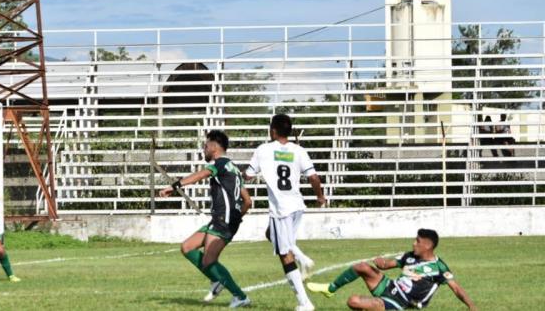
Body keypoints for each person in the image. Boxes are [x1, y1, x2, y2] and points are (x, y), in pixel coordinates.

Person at [159, 130, 253, 308]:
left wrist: (175, 186)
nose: (204, 149)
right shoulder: (233, 168)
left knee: (209, 261)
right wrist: (235, 218)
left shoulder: (220, 164)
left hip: (222, 220)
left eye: (205, 145)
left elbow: (200, 175)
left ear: (214, 147)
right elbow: (248, 201)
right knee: (187, 247)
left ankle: (240, 296)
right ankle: (216, 280)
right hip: (222, 219)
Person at [245, 113, 325, 311]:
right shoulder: (299, 150)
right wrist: (320, 197)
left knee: (284, 253)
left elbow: (247, 175)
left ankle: (305, 302)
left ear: (272, 130)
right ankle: (303, 259)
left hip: (280, 209)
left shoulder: (263, 149)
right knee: (270, 235)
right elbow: (314, 178)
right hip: (297, 205)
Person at [307, 229, 477, 310]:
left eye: (417, 241)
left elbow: (456, 288)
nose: (413, 243)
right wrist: (381, 263)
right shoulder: (409, 256)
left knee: (353, 301)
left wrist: (471, 306)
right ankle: (330, 289)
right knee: (362, 267)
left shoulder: (439, 267)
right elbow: (388, 265)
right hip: (390, 287)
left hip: (401, 302)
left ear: (427, 245)